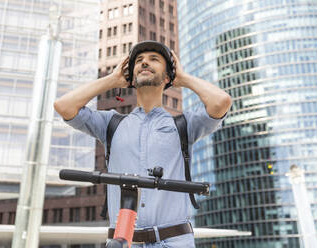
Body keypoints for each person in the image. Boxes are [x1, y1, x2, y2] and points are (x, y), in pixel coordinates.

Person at [54, 41, 232, 247]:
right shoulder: (110, 124)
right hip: (123, 241)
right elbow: (64, 106)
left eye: (153, 59)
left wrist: (182, 79)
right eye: (139, 61)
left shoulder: (185, 125)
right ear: (130, 78)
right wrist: (111, 80)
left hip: (174, 242)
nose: (144, 63)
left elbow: (221, 102)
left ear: (167, 77)